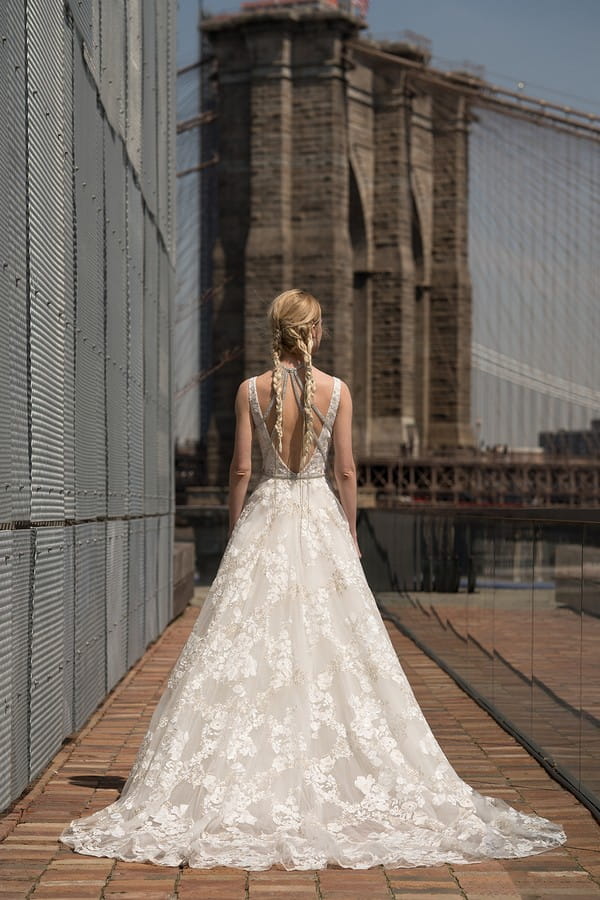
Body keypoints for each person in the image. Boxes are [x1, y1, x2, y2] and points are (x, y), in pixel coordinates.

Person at [60, 289, 567, 870]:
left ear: (273, 332)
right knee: (336, 648)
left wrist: (235, 529)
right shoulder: (339, 391)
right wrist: (349, 534)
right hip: (319, 519)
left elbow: (243, 469)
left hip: (267, 518)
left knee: (249, 648)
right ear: (316, 332)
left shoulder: (249, 390)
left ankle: (240, 773)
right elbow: (346, 468)